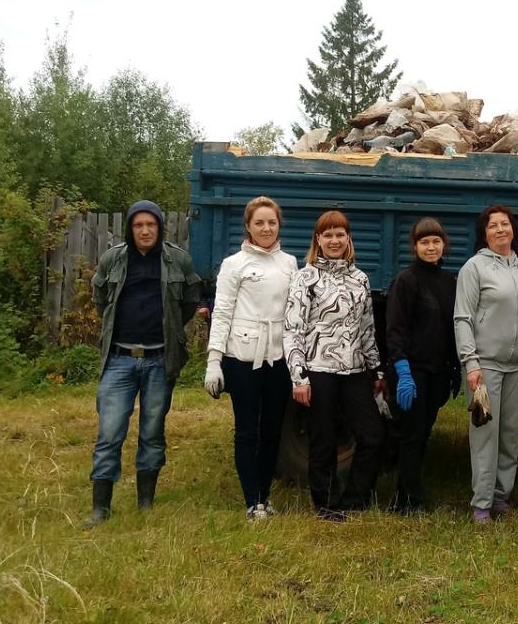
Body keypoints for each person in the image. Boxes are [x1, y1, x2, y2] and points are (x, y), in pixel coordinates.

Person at [87, 200, 202, 527]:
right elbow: (101, 302)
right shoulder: (113, 259)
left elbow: (190, 302)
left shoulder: (177, 259)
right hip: (119, 360)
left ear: (160, 226)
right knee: (109, 433)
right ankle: (100, 509)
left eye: (151, 224)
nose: (145, 230)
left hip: (159, 361)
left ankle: (146, 503)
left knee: (153, 432)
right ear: (130, 228)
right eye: (138, 225)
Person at [282, 211, 386, 521]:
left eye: (340, 234)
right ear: (318, 240)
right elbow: (293, 329)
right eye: (327, 235)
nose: (334, 240)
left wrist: (377, 370)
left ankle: (355, 498)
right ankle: (326, 503)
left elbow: (366, 330)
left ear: (348, 239)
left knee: (373, 435)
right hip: (317, 370)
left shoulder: (360, 279)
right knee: (323, 439)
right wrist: (298, 377)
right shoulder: (305, 277)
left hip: (354, 371)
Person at [203, 197, 299, 520]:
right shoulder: (234, 265)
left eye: (271, 222)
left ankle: (264, 495)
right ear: (248, 226)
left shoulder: (289, 263)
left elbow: (293, 313)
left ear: (278, 225)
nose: (266, 228)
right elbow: (223, 313)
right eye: (259, 222)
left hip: (278, 358)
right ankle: (252, 501)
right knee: (247, 430)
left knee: (272, 429)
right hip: (242, 358)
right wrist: (214, 360)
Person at [454, 205, 518, 523]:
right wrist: (471, 362)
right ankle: (481, 504)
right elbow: (462, 318)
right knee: (485, 434)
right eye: (493, 226)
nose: (500, 230)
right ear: (484, 233)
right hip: (486, 367)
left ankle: (501, 496)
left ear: (513, 230)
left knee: (509, 433)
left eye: (505, 224)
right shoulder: (474, 268)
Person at [385, 217, 460, 514]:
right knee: (412, 434)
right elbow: (395, 329)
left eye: (436, 241)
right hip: (412, 371)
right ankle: (406, 502)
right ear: (415, 247)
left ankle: (407, 492)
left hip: (438, 371)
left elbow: (452, 326)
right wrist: (402, 371)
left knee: (423, 432)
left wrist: (454, 367)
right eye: (425, 242)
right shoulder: (406, 280)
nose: (431, 247)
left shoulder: (449, 282)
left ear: (444, 245)